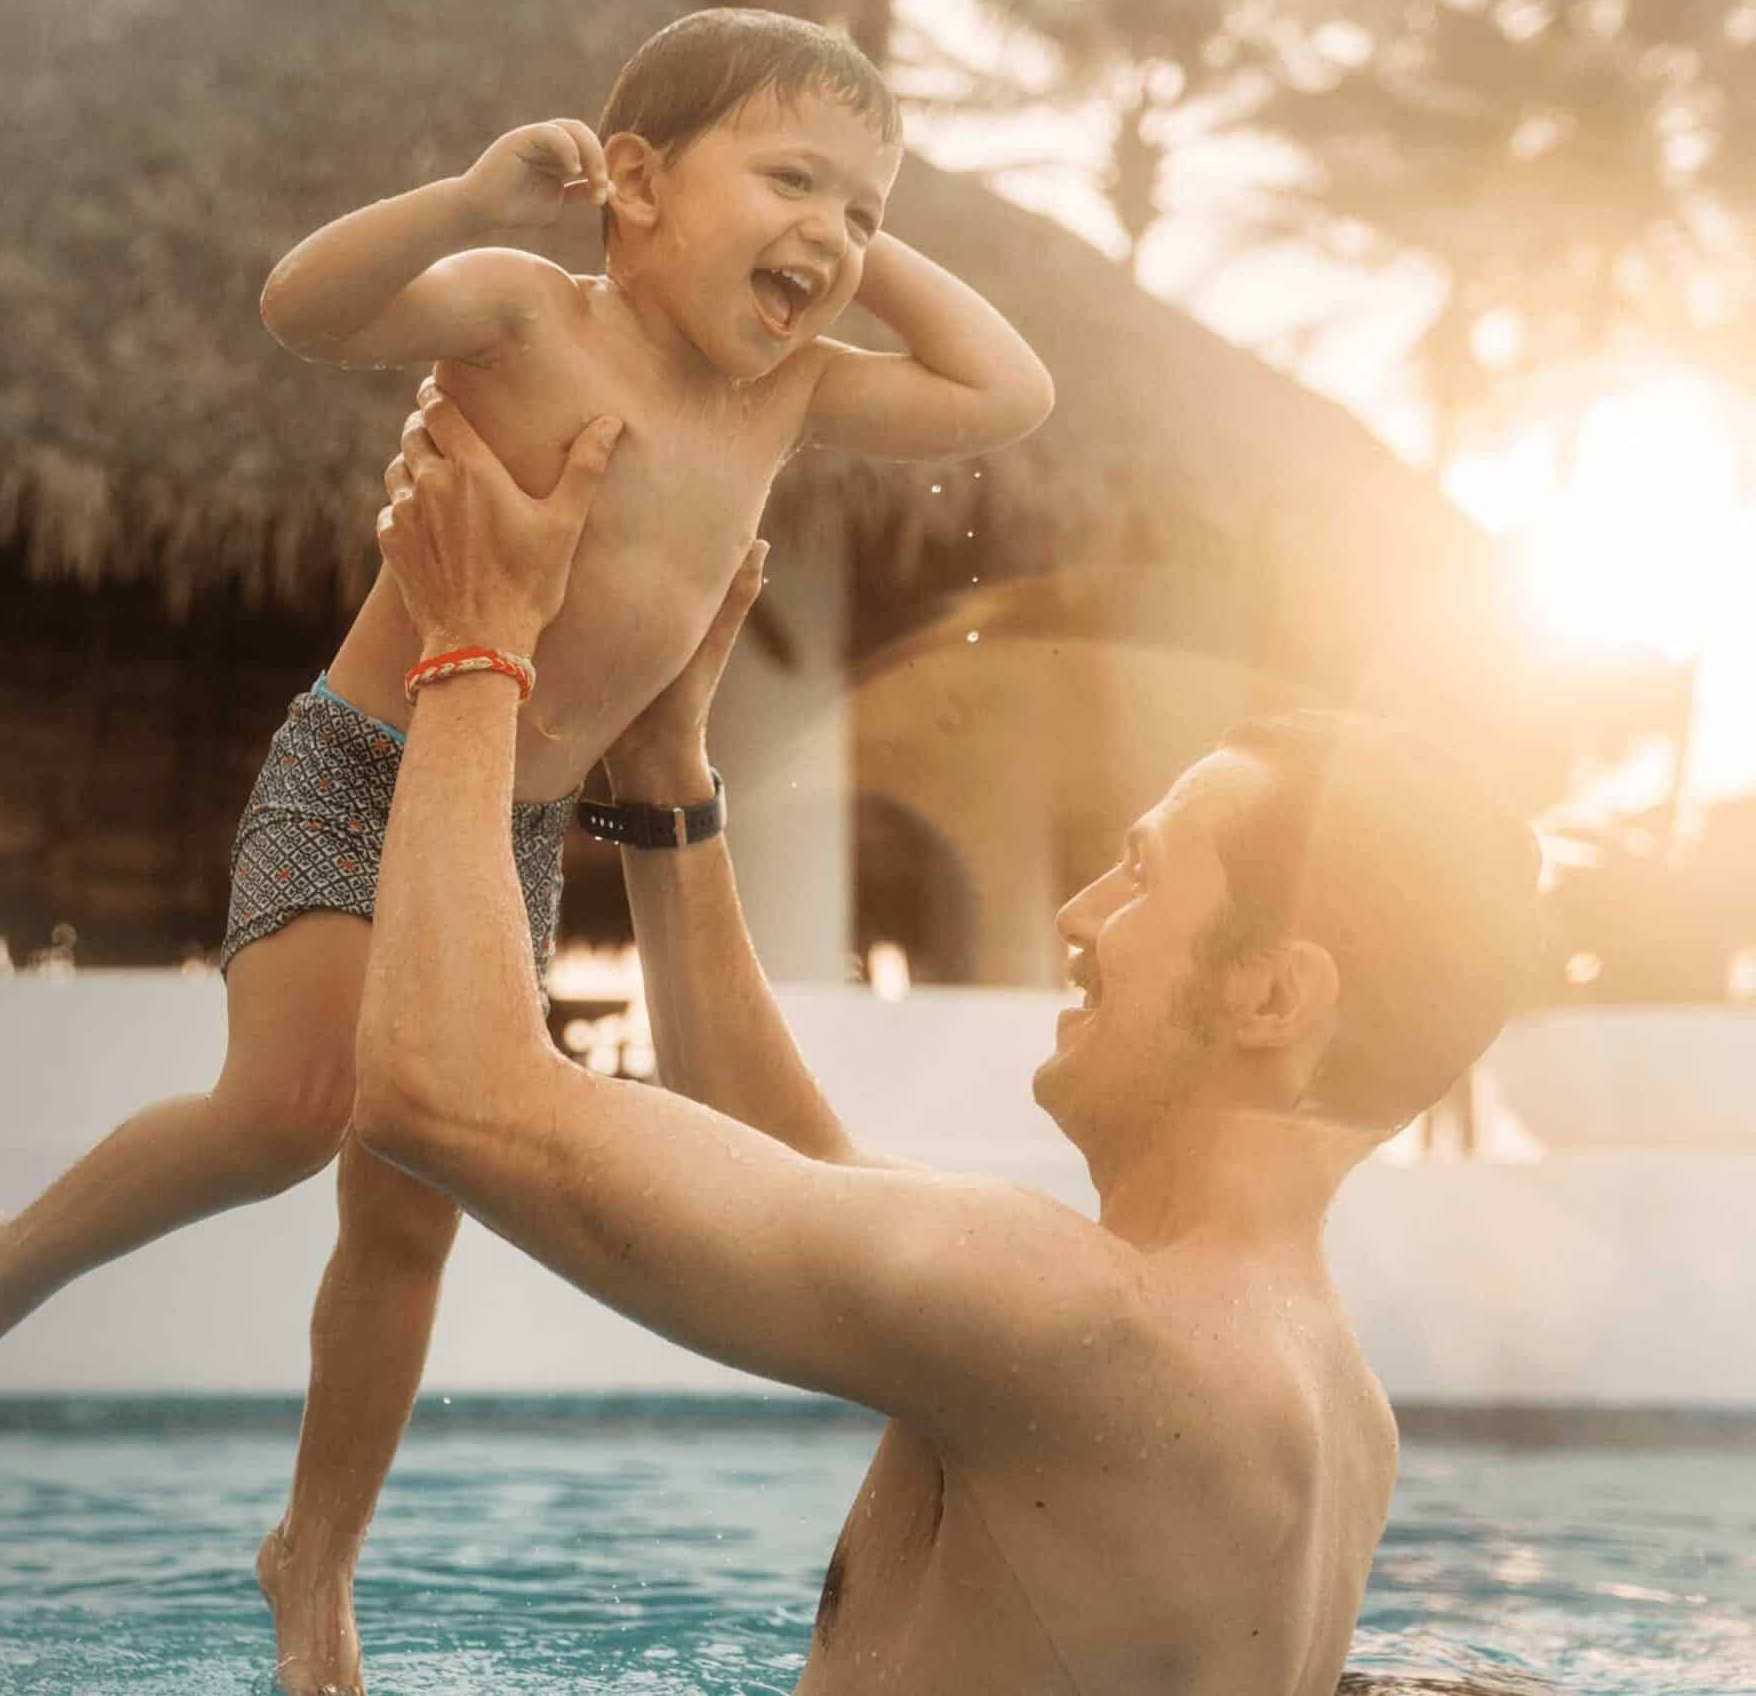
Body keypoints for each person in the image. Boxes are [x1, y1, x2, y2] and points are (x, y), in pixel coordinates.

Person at [0, 6, 1052, 1692]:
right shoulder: (520, 311)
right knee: (286, 1113)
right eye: (789, 180)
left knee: (412, 1223)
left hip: (517, 828)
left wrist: (846, 230)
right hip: (363, 773)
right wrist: (462, 197)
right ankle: (1, 1261)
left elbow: (1011, 392)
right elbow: (305, 309)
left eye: (862, 211)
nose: (833, 239)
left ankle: (315, 1563)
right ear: (632, 182)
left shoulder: (791, 389)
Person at [349, 385, 1544, 1694]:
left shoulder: (1092, 1326)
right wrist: (667, 777)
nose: (1083, 916)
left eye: (1141, 877)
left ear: (1272, 1000)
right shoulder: (1314, 1394)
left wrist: (474, 642)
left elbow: (442, 1090)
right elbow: (788, 1161)